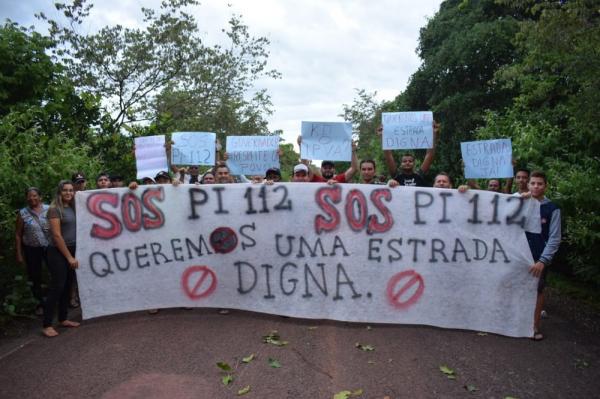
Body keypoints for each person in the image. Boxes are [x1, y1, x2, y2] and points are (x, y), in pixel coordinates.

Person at [525, 171, 561, 341]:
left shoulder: (552, 209)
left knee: (537, 290)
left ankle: (534, 326)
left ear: (545, 186)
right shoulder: (519, 202)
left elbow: (554, 238)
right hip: (518, 255)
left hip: (538, 257)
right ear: (528, 185)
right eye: (533, 183)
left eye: (539, 183)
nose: (536, 186)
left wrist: (543, 261)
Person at [42, 180, 80, 337]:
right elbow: (57, 236)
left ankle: (63, 318)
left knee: (67, 285)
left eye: (71, 190)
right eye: (65, 190)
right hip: (57, 251)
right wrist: (69, 257)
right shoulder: (54, 209)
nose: (69, 193)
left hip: (72, 249)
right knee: (57, 286)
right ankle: (47, 324)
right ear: (59, 192)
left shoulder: (71, 207)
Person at [15, 187, 50, 315]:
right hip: (31, 249)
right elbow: (18, 234)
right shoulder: (23, 213)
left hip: (49, 247)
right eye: (29, 196)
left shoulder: (49, 209)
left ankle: (54, 300)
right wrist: (19, 253)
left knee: (55, 272)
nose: (32, 198)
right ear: (26, 198)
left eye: (35, 195)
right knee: (35, 276)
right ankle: (39, 303)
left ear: (40, 197)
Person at [383, 121, 440, 187]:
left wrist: (434, 133)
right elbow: (389, 156)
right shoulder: (396, 175)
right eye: (404, 161)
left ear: (414, 163)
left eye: (410, 161)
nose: (407, 163)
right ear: (401, 164)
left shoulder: (419, 175)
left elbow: (429, 155)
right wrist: (383, 135)